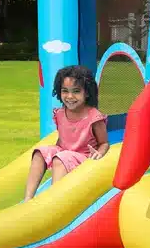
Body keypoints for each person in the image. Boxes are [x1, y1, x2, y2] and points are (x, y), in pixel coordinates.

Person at [24, 65, 109, 201]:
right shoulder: (60, 113)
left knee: (60, 158)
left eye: (76, 91)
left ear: (87, 93)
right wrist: (50, 153)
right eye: (65, 91)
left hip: (84, 157)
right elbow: (63, 139)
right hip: (64, 153)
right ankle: (28, 199)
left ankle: (54, 200)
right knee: (40, 152)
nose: (70, 96)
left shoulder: (94, 117)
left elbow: (104, 143)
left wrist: (99, 153)